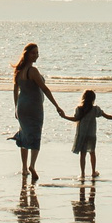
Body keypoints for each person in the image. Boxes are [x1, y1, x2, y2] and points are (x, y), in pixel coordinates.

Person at [11, 42, 69, 180]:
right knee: (35, 134)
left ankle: (24, 168)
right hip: (33, 107)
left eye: (37, 53)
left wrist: (16, 107)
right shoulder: (32, 71)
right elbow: (45, 89)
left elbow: (15, 90)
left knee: (24, 134)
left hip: (22, 106)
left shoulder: (19, 71)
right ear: (27, 55)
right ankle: (31, 165)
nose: (36, 55)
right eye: (34, 53)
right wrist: (57, 106)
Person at [68, 88, 112, 183]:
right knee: (92, 153)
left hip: (82, 134)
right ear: (93, 99)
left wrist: (64, 116)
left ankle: (83, 173)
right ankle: (93, 171)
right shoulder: (95, 109)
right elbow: (106, 116)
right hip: (91, 134)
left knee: (83, 154)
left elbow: (74, 119)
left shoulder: (79, 109)